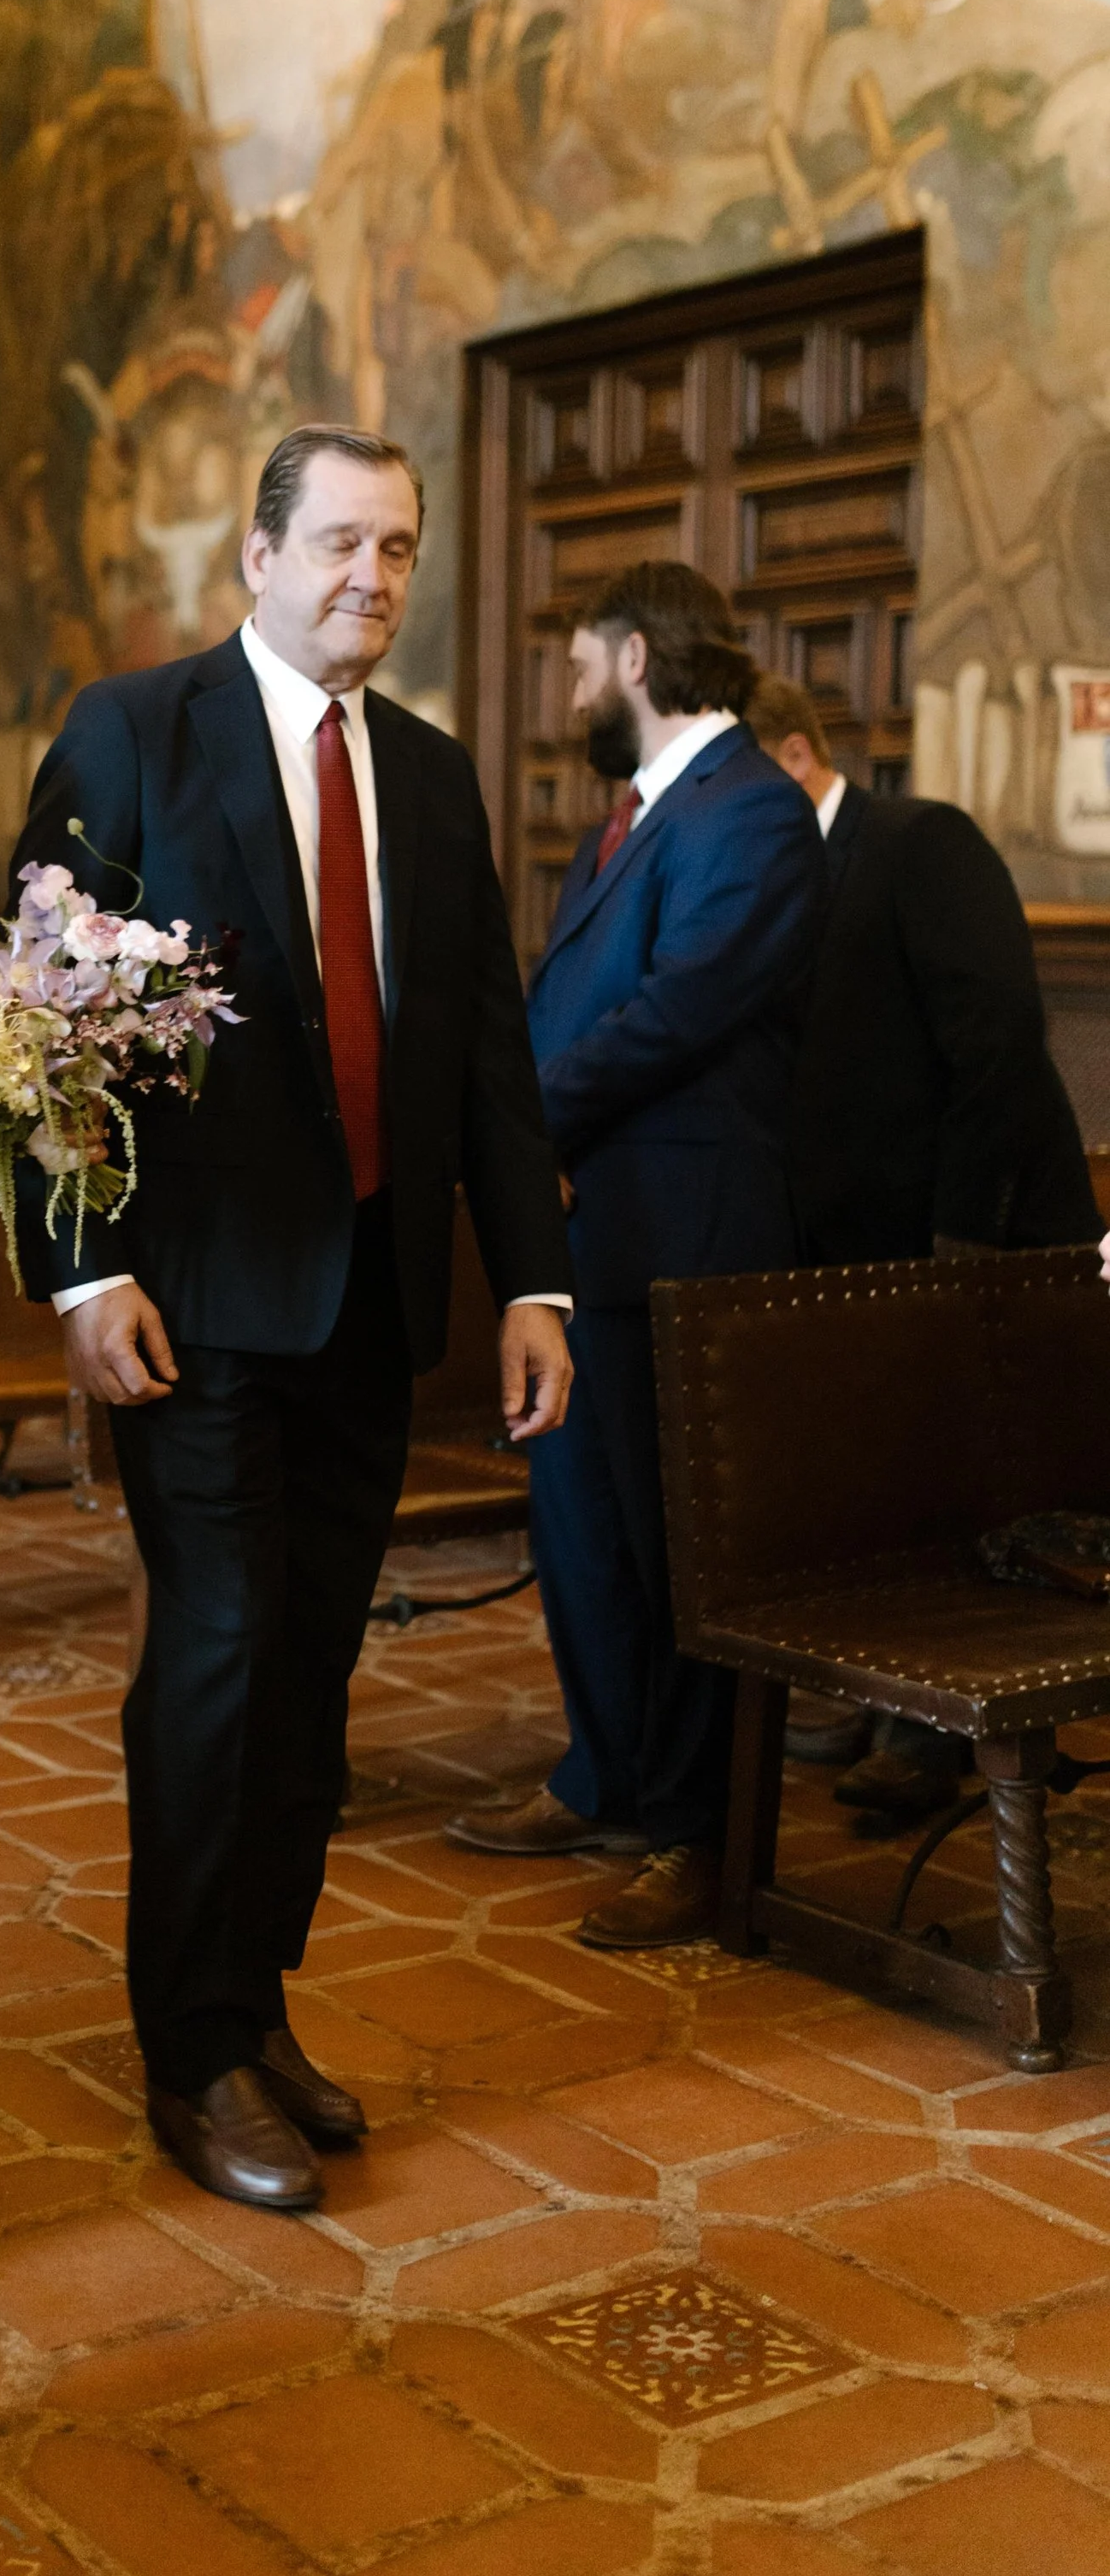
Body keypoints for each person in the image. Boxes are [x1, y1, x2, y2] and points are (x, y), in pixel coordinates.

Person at [12, 426, 573, 2215]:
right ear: (256, 557)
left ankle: (255, 2004)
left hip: (373, 1302)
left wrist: (532, 1279)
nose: (371, 577)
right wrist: (81, 1271)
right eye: (338, 541)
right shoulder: (134, 730)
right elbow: (37, 1023)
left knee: (314, 1673)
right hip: (192, 1304)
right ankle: (189, 2053)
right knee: (217, 1656)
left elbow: (485, 1045)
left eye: (397, 548)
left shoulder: (431, 772)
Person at [452, 565, 824, 1945]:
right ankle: (603, 1776)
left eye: (576, 664)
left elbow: (685, 1008)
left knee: (678, 1549)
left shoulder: (752, 808)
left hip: (687, 1233)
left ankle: (696, 1832)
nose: (567, 691)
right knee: (586, 1529)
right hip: (591, 1233)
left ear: (632, 657)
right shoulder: (637, 814)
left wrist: (521, 1120)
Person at [748, 672, 1100, 1816]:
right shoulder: (769, 873)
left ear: (792, 756)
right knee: (884, 1489)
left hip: (975, 1239)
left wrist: (962, 1244)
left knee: (972, 1497)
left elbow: (997, 1039)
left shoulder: (917, 840)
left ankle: (941, 1739)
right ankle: (885, 1703)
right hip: (855, 1250)